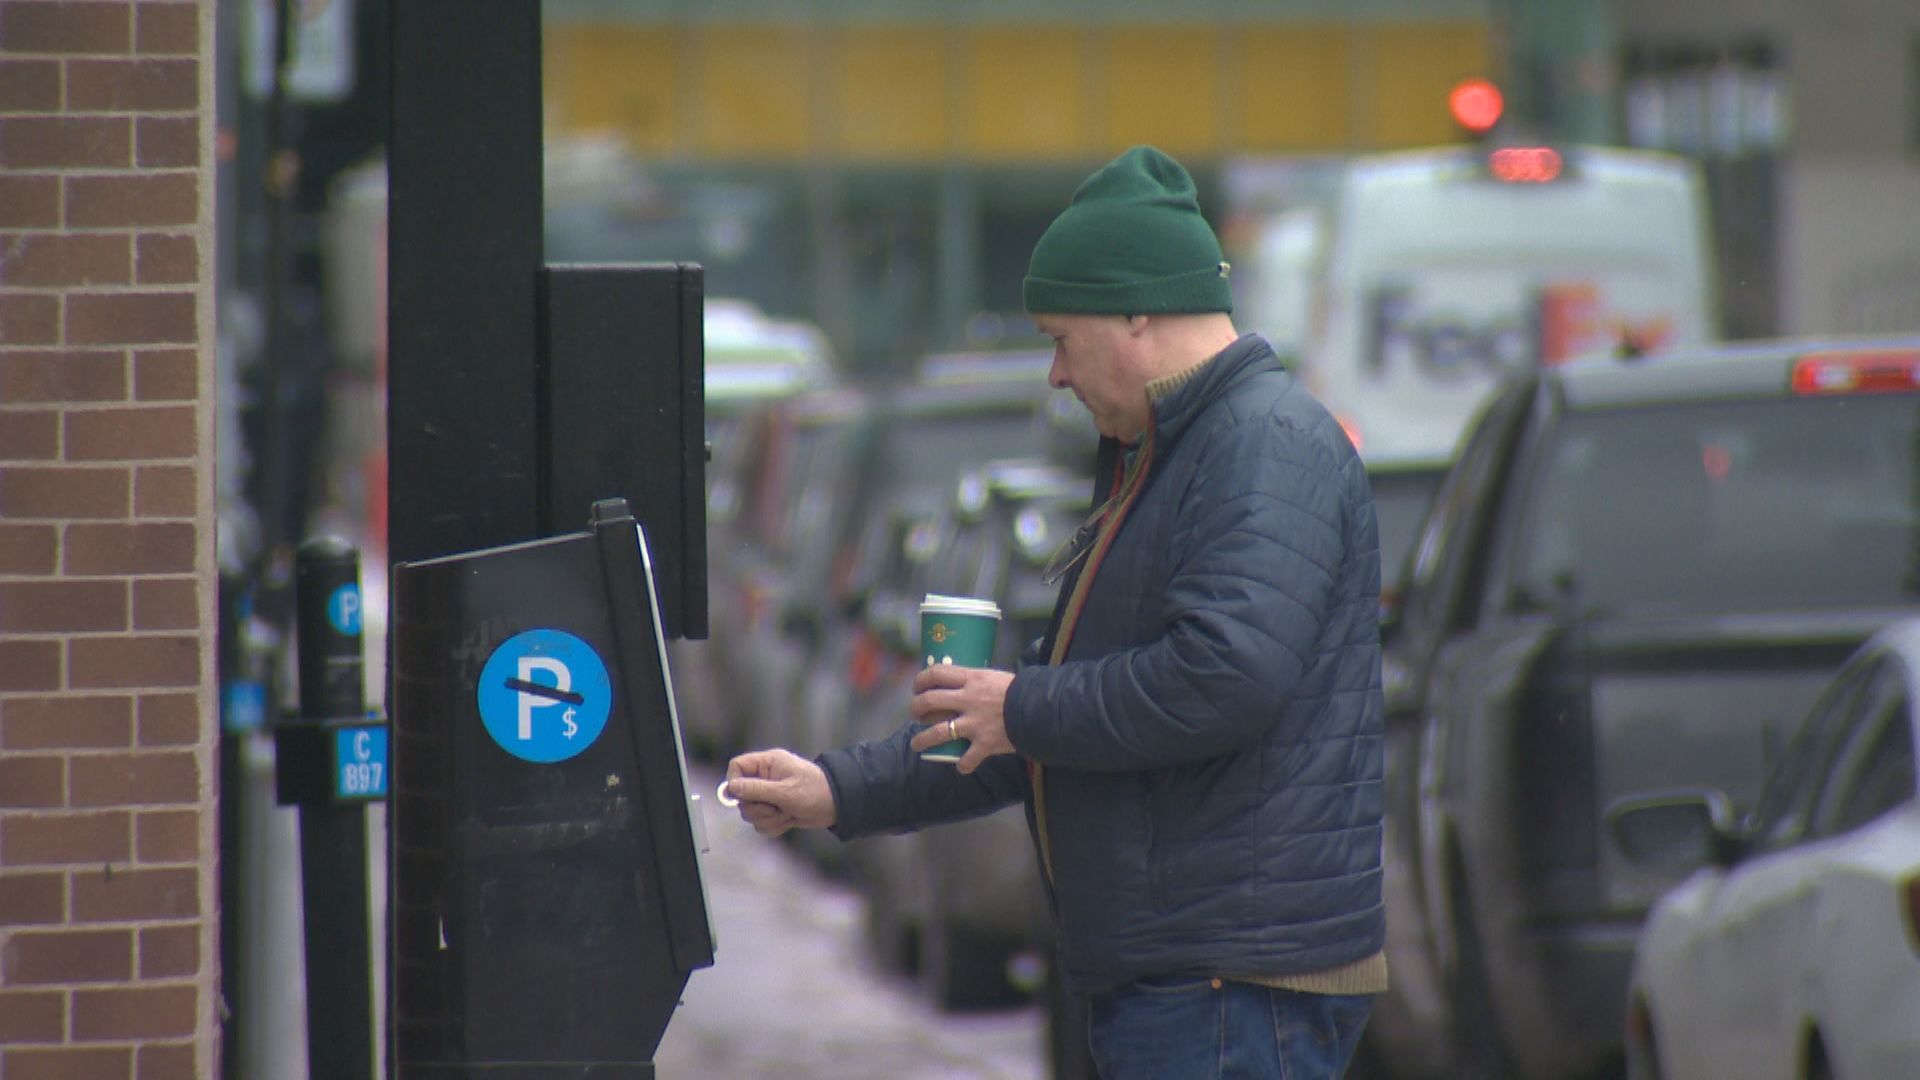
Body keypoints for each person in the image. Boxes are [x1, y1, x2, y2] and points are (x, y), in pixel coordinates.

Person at [723, 145, 1387, 1079]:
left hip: (1228, 984)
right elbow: (1050, 720)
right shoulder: (1168, 458)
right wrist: (837, 789)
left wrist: (1020, 709)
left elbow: (1223, 677)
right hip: (1195, 975)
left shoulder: (1261, 447)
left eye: (1060, 338)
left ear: (1136, 315)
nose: (1055, 377)